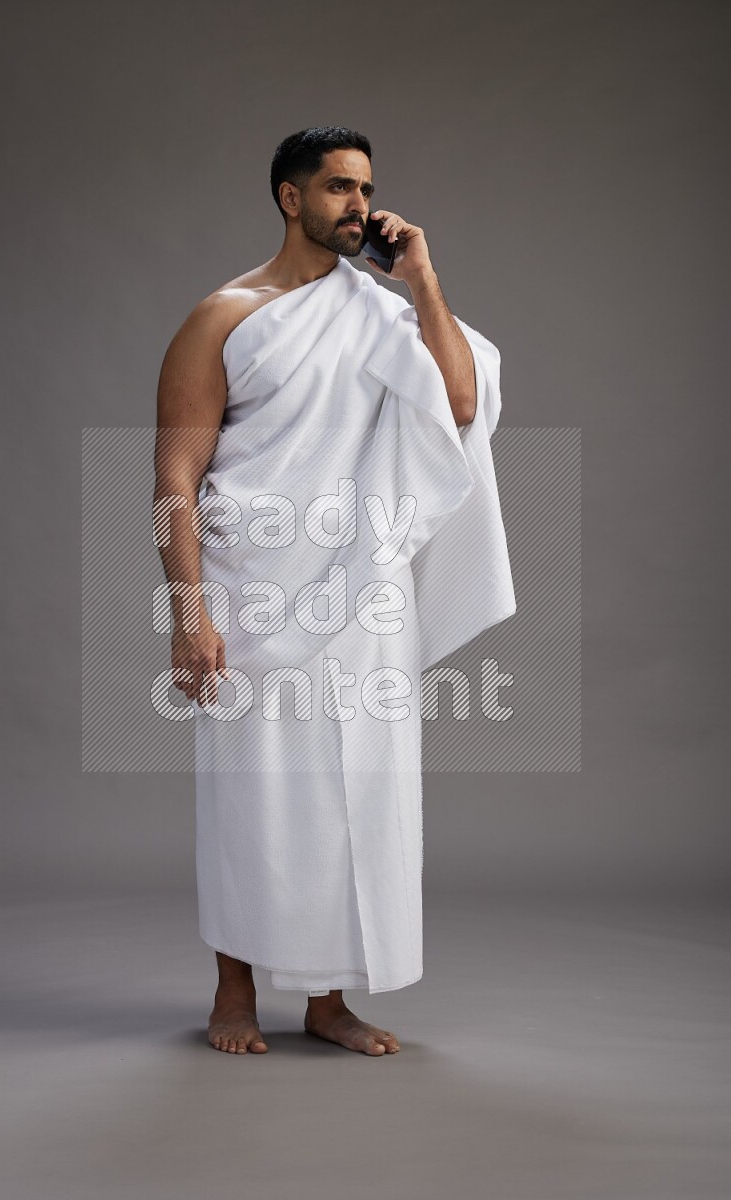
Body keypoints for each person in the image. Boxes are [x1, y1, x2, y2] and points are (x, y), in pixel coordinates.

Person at [153, 126, 515, 1056]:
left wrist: (421, 279)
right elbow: (175, 479)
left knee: (360, 790)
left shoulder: (386, 313)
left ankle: (328, 1000)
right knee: (250, 794)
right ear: (290, 197)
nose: (360, 206)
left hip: (362, 595)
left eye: (366, 189)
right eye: (339, 188)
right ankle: (233, 991)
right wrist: (187, 611)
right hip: (251, 591)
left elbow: (460, 404)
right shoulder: (224, 316)